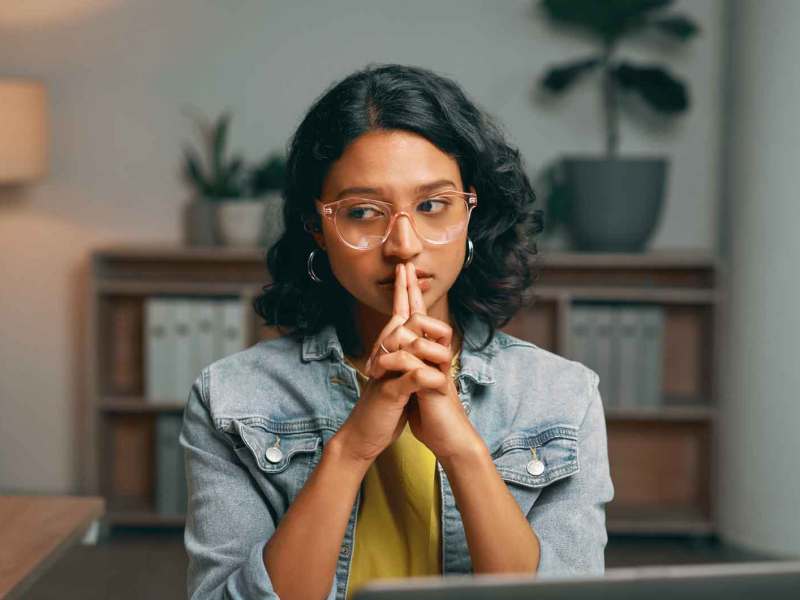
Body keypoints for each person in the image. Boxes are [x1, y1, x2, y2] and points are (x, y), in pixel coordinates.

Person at [180, 63, 614, 600]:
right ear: (319, 226)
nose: (404, 244)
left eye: (432, 206)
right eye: (363, 212)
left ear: (471, 213)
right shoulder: (230, 398)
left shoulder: (562, 397)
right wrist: (355, 444)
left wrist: (461, 449)